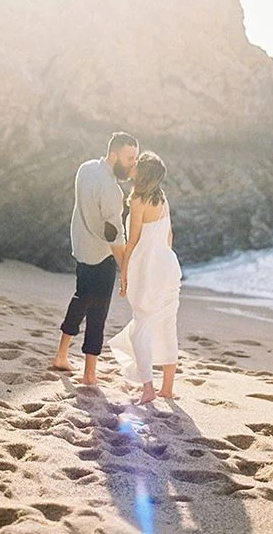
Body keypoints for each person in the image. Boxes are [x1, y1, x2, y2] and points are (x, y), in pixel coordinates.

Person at [52, 132, 139, 385]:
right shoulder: (112, 190)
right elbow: (113, 235)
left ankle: (61, 355)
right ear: (113, 156)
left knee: (80, 299)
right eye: (129, 159)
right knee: (98, 314)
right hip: (101, 258)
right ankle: (89, 374)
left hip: (81, 249)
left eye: (135, 159)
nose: (133, 164)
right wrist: (125, 271)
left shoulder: (86, 168)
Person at [108, 150, 182, 404]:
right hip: (168, 267)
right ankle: (167, 388)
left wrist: (125, 273)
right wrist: (164, 262)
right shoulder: (163, 199)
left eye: (138, 164)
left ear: (144, 173)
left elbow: (132, 241)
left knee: (141, 327)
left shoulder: (138, 201)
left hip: (147, 269)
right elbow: (169, 235)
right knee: (167, 325)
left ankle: (148, 388)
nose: (134, 166)